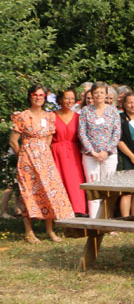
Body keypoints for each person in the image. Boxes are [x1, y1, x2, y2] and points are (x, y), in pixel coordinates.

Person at [9, 85, 73, 242]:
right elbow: (13, 141)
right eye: (35, 94)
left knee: (48, 191)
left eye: (41, 95)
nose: (38, 97)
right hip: (27, 160)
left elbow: (49, 138)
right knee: (28, 193)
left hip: (45, 160)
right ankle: (29, 232)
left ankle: (50, 230)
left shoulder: (49, 117)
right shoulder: (22, 116)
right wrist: (23, 155)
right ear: (30, 97)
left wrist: (43, 152)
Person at [78, 82, 122, 217]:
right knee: (93, 188)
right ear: (91, 94)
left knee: (107, 188)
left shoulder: (113, 110)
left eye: (101, 92)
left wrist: (106, 151)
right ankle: (94, 222)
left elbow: (117, 132)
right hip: (90, 156)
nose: (98, 95)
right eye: (96, 92)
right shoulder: (85, 111)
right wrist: (92, 151)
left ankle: (107, 221)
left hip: (109, 155)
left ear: (106, 94)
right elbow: (82, 133)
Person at [51, 88, 87, 216]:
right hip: (57, 153)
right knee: (59, 181)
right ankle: (60, 211)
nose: (69, 101)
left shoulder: (79, 117)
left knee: (75, 181)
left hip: (74, 154)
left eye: (72, 98)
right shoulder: (52, 116)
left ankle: (78, 210)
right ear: (60, 99)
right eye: (67, 98)